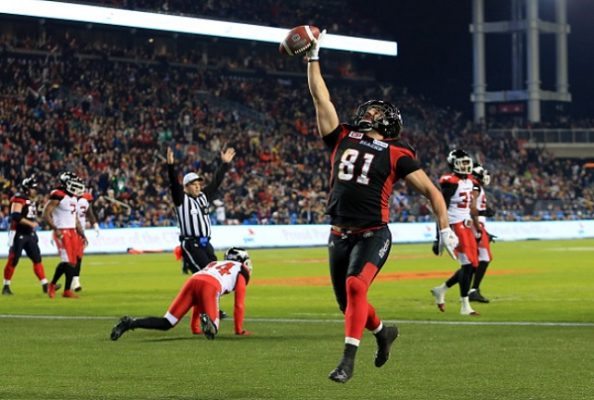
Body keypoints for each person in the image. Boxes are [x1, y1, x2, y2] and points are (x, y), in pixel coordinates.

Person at [305, 32, 458, 384]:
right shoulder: (342, 135)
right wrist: (312, 58)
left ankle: (347, 361)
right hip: (338, 233)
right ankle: (383, 332)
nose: (370, 112)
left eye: (377, 111)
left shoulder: (398, 153)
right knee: (348, 306)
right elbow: (320, 98)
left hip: (373, 233)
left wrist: (445, 228)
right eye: (369, 109)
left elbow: (433, 193)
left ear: (388, 122)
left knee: (357, 289)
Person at [110, 247, 253, 341]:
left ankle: (129, 323)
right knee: (212, 330)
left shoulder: (214, 264)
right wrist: (239, 330)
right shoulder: (241, 270)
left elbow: (199, 298)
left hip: (194, 280)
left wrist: (194, 327)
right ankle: (209, 320)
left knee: (167, 322)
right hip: (211, 285)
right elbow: (239, 304)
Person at [166, 146, 236, 275]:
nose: (198, 186)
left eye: (199, 183)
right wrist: (170, 166)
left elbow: (216, 182)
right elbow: (174, 185)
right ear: (186, 187)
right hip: (192, 244)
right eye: (194, 184)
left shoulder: (203, 196)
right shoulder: (181, 199)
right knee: (206, 274)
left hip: (206, 243)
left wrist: (225, 164)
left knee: (216, 274)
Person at [430, 149, 481, 316]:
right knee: (467, 265)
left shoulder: (470, 181)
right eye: (462, 163)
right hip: (454, 225)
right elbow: (440, 208)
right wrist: (439, 236)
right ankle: (464, 305)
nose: (466, 166)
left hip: (466, 226)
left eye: (467, 163)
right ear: (453, 164)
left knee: (473, 265)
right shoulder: (450, 181)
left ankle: (441, 289)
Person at [2, 175, 52, 295]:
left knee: (37, 259)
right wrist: (31, 223)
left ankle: (45, 284)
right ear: (26, 188)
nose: (35, 190)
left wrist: (36, 221)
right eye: (33, 188)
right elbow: (15, 216)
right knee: (13, 259)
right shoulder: (18, 198)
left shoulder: (30, 200)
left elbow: (30, 215)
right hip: (18, 233)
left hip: (29, 234)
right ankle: (6, 286)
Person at [42, 172, 87, 299]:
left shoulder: (73, 197)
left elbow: (75, 218)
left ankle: (67, 290)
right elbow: (46, 213)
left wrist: (82, 233)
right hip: (62, 231)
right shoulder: (58, 194)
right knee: (67, 261)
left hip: (72, 231)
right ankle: (52, 284)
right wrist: (55, 228)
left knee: (73, 263)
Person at [469, 163, 495, 303]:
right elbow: (471, 208)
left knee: (475, 261)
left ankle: (472, 290)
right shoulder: (475, 186)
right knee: (483, 258)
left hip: (476, 225)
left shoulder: (474, 185)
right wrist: (479, 227)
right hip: (475, 225)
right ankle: (473, 290)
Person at [73, 180, 100, 292]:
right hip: (70, 231)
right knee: (71, 259)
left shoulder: (84, 200)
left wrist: (95, 224)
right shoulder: (69, 199)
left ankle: (75, 281)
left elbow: (89, 212)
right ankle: (70, 281)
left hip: (80, 232)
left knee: (78, 258)